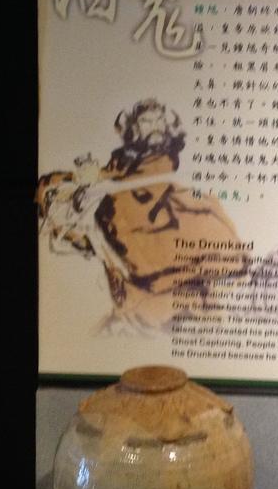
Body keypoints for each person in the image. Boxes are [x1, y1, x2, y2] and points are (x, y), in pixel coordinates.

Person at [37, 98, 250, 333]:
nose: (154, 125)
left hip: (159, 205)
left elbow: (151, 174)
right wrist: (80, 180)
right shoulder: (123, 164)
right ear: (134, 129)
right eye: (147, 121)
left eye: (158, 120)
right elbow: (106, 174)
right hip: (131, 212)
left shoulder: (171, 162)